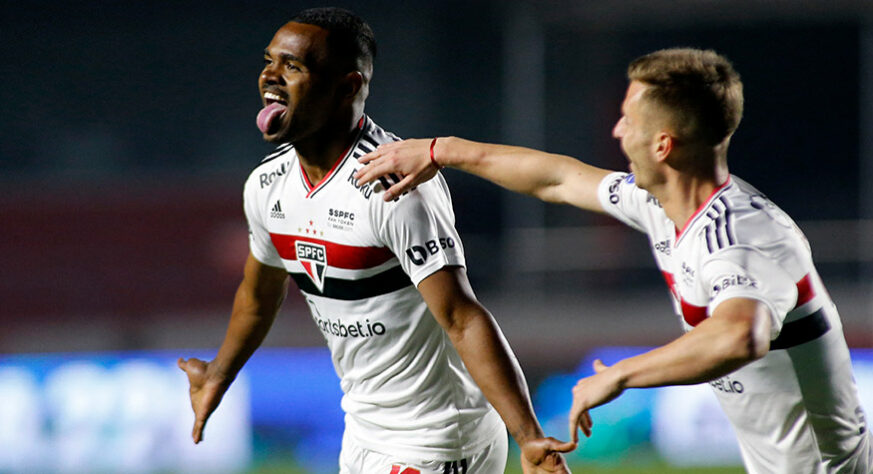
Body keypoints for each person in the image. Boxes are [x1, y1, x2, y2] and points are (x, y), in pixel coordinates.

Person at [354, 47, 873, 473]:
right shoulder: (663, 204)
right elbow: (556, 178)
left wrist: (619, 375)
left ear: (663, 144)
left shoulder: (743, 237)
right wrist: (441, 150)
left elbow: (741, 335)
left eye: (628, 121)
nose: (617, 132)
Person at [176, 7, 574, 474]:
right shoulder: (267, 185)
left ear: (347, 86)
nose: (271, 75)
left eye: (294, 66)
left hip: (439, 436)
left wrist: (528, 438)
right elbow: (259, 294)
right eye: (270, 61)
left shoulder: (395, 186)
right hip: (364, 431)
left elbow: (462, 317)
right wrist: (220, 372)